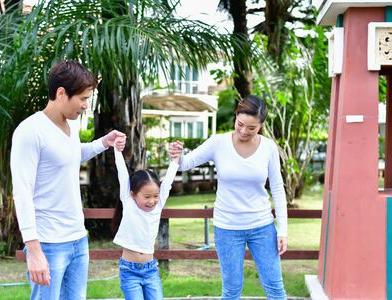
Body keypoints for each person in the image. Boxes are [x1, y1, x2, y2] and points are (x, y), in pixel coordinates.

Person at [10, 60, 126, 300]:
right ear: (61, 93)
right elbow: (22, 192)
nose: (85, 106)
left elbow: (70, 155)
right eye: (82, 99)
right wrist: (34, 250)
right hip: (48, 243)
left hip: (77, 239)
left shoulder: (69, 127)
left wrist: (103, 143)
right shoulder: (30, 131)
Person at [169, 95, 288, 300]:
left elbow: (277, 188)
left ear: (261, 125)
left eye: (251, 128)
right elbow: (185, 163)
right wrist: (175, 153)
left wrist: (283, 230)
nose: (243, 131)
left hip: (262, 226)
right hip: (227, 228)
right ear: (235, 116)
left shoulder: (268, 148)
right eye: (240, 124)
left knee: (275, 289)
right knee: (231, 291)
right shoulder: (219, 143)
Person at [112, 140, 181, 299]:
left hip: (151, 270)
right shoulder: (129, 203)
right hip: (129, 271)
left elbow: (168, 181)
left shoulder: (158, 205)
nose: (152, 201)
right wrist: (117, 151)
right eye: (147, 197)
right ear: (133, 194)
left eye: (156, 196)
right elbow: (122, 174)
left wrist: (175, 159)